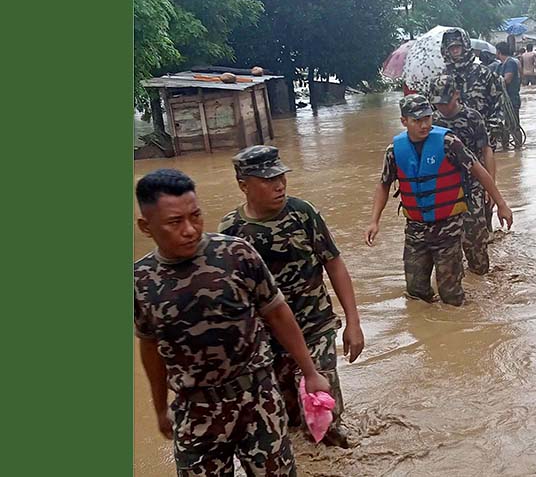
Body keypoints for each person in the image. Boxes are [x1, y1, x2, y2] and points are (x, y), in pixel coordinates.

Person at [134, 168, 331, 477]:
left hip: (257, 401)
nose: (190, 229)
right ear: (146, 227)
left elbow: (278, 313)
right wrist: (160, 407)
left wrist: (310, 372)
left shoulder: (235, 254)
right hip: (195, 412)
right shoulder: (140, 281)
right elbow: (150, 346)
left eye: (195, 216)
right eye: (175, 222)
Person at [219, 146, 364, 448]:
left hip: (316, 327)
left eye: (281, 177)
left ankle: (337, 458)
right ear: (243, 185)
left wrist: (353, 321)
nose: (279, 185)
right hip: (269, 339)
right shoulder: (231, 231)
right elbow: (232, 296)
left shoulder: (303, 213)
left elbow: (334, 263)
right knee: (288, 419)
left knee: (326, 414)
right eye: (268, 180)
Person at [364, 95, 513, 306]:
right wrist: (374, 221)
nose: (424, 125)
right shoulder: (394, 151)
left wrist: (501, 204)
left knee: (450, 296)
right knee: (416, 292)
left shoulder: (449, 143)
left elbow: (479, 170)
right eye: (417, 120)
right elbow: (384, 184)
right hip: (416, 229)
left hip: (448, 228)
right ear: (404, 121)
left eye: (427, 118)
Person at [429, 74, 495, 274]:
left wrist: (491, 188)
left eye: (446, 102)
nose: (442, 107)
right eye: (438, 103)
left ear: (456, 95)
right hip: (446, 187)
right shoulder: (432, 122)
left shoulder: (472, 117)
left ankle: (481, 277)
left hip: (473, 184)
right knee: (446, 244)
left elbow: (486, 151)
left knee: (475, 241)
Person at [439, 27, 505, 151]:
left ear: (465, 46)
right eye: (451, 48)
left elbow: (497, 105)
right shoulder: (441, 79)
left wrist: (491, 135)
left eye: (458, 46)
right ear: (446, 50)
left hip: (482, 141)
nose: (455, 50)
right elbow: (434, 111)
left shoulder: (484, 73)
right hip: (451, 144)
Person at [496, 41, 522, 128]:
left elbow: (507, 80)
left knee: (514, 126)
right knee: (504, 128)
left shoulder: (510, 63)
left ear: (498, 52)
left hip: (511, 100)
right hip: (502, 101)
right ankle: (505, 142)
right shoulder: (500, 66)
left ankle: (519, 142)